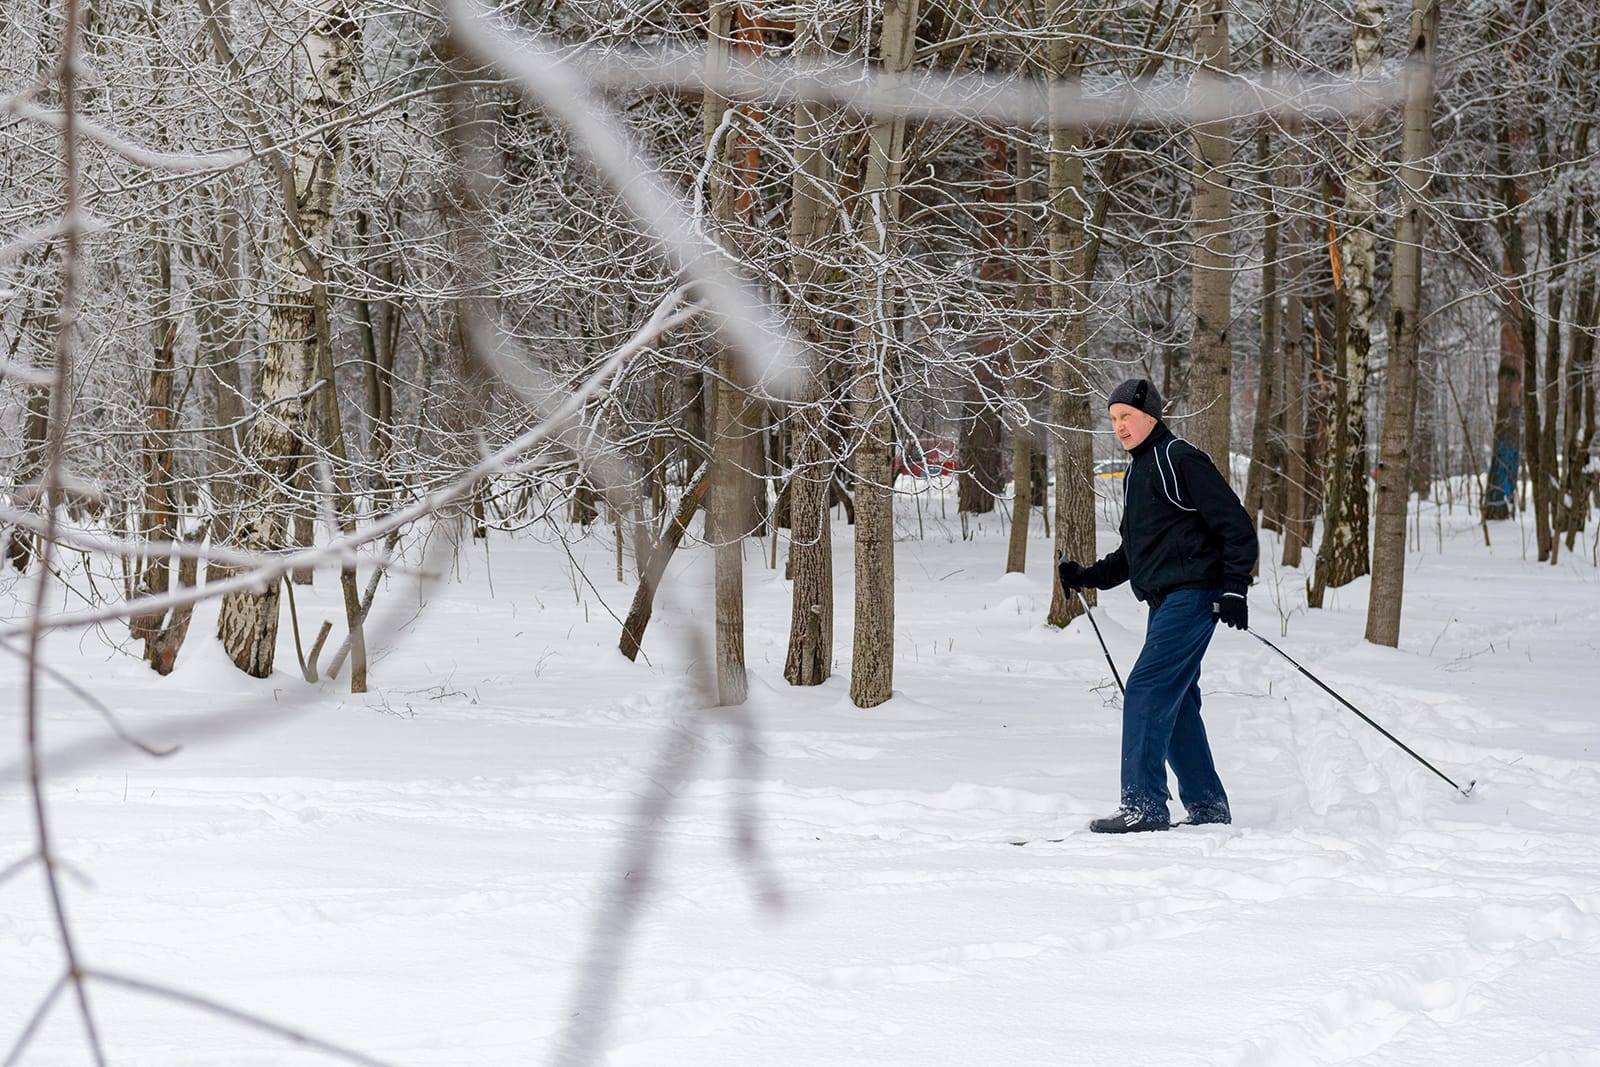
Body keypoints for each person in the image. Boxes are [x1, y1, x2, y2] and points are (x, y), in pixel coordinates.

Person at [1057, 378, 1258, 833]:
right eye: (1113, 419)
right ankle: (1208, 806)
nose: (1119, 426)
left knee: (1146, 688)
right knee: (1176, 700)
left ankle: (1144, 805)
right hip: (1164, 601)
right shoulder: (1137, 472)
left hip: (1194, 596)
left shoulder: (1179, 458)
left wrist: (1234, 588)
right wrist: (1087, 576)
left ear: (1150, 416)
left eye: (1126, 416)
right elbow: (1134, 554)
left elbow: (1236, 525)